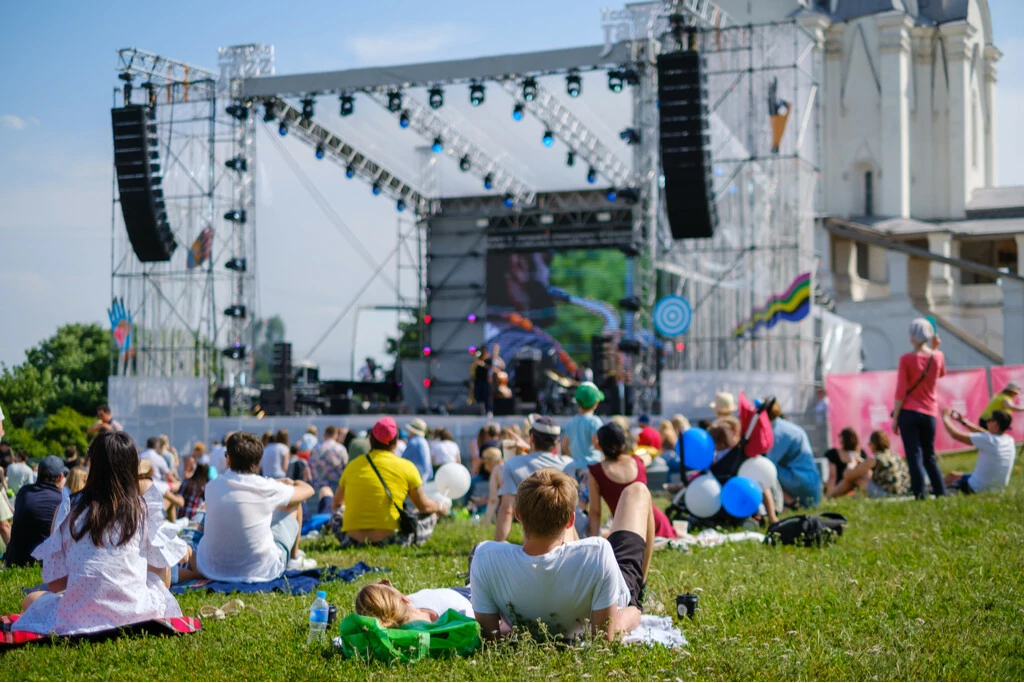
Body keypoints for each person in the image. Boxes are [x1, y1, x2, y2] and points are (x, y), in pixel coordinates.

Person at [13, 433, 187, 636]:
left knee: (31, 600)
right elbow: (162, 578)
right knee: (157, 574)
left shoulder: (69, 508)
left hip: (78, 615)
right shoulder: (143, 509)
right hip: (136, 613)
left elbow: (56, 583)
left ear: (93, 465)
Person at [471, 469, 652, 642]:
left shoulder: (485, 557)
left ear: (518, 514)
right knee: (637, 491)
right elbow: (605, 638)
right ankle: (640, 589)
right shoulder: (598, 552)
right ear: (571, 521)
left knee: (548, 504)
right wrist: (629, 614)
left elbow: (490, 637)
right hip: (601, 589)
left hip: (558, 586)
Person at [195, 432, 316, 582]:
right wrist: (290, 482)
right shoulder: (266, 488)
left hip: (212, 568)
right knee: (293, 503)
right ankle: (293, 559)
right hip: (261, 571)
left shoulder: (212, 486)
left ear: (228, 460)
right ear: (258, 462)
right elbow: (308, 491)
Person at [332, 417, 448, 548]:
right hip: (388, 540)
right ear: (395, 444)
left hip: (352, 540)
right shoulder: (406, 467)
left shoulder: (352, 466)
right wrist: (439, 507)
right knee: (429, 514)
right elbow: (424, 507)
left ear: (370, 440)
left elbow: (336, 503)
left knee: (338, 512)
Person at [494, 415, 577, 543]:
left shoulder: (512, 465)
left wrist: (497, 547)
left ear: (532, 438)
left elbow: (507, 510)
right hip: (564, 540)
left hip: (532, 540)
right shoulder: (569, 465)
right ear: (557, 442)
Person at [588, 423, 675, 539]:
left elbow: (595, 512)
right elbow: (648, 456)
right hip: (656, 523)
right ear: (623, 445)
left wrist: (592, 540)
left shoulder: (596, 472)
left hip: (628, 529)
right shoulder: (638, 462)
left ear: (599, 445)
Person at [891, 318, 947, 499]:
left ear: (912, 337)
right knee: (929, 455)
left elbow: (900, 392)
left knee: (914, 456)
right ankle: (940, 491)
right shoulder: (937, 356)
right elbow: (941, 373)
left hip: (909, 412)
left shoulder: (906, 359)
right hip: (929, 412)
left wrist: (895, 418)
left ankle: (920, 494)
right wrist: (935, 348)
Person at [3, 455, 66, 566]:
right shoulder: (61, 499)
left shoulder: (23, 492)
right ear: (60, 477)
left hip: (15, 560)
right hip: (43, 563)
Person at [940, 409, 1016, 494]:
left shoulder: (988, 440)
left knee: (943, 489)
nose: (986, 422)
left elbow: (956, 435)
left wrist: (945, 418)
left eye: (989, 420)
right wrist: (963, 421)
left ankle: (929, 490)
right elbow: (983, 433)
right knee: (952, 475)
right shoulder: (1009, 440)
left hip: (976, 488)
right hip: (998, 488)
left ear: (995, 424)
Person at [765, 402, 822, 508]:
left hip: (800, 481)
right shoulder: (784, 426)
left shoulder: (777, 432)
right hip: (810, 484)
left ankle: (788, 502)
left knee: (764, 467)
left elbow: (769, 463)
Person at [356, 578, 475, 626]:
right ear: (404, 598)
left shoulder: (395, 624)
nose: (387, 582)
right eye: (386, 584)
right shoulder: (461, 611)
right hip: (469, 594)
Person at [562, 382, 605, 471]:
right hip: (593, 466)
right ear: (596, 403)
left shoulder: (571, 421)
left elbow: (565, 445)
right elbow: (596, 442)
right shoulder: (595, 421)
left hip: (575, 467)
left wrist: (574, 460)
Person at [824, 428, 873, 496]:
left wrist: (829, 495)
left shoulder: (834, 453)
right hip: (858, 490)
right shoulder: (862, 454)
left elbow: (832, 476)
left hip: (839, 490)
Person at [866, 431, 910, 497]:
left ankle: (844, 498)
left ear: (874, 444)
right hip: (904, 491)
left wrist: (852, 463)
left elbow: (850, 474)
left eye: (870, 443)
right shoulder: (895, 455)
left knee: (859, 479)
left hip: (889, 494)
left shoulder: (876, 458)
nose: (868, 445)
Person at [310, 425, 349, 495]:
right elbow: (346, 466)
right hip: (335, 486)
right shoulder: (340, 448)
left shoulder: (315, 448)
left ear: (325, 434)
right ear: (336, 435)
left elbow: (310, 465)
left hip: (318, 487)